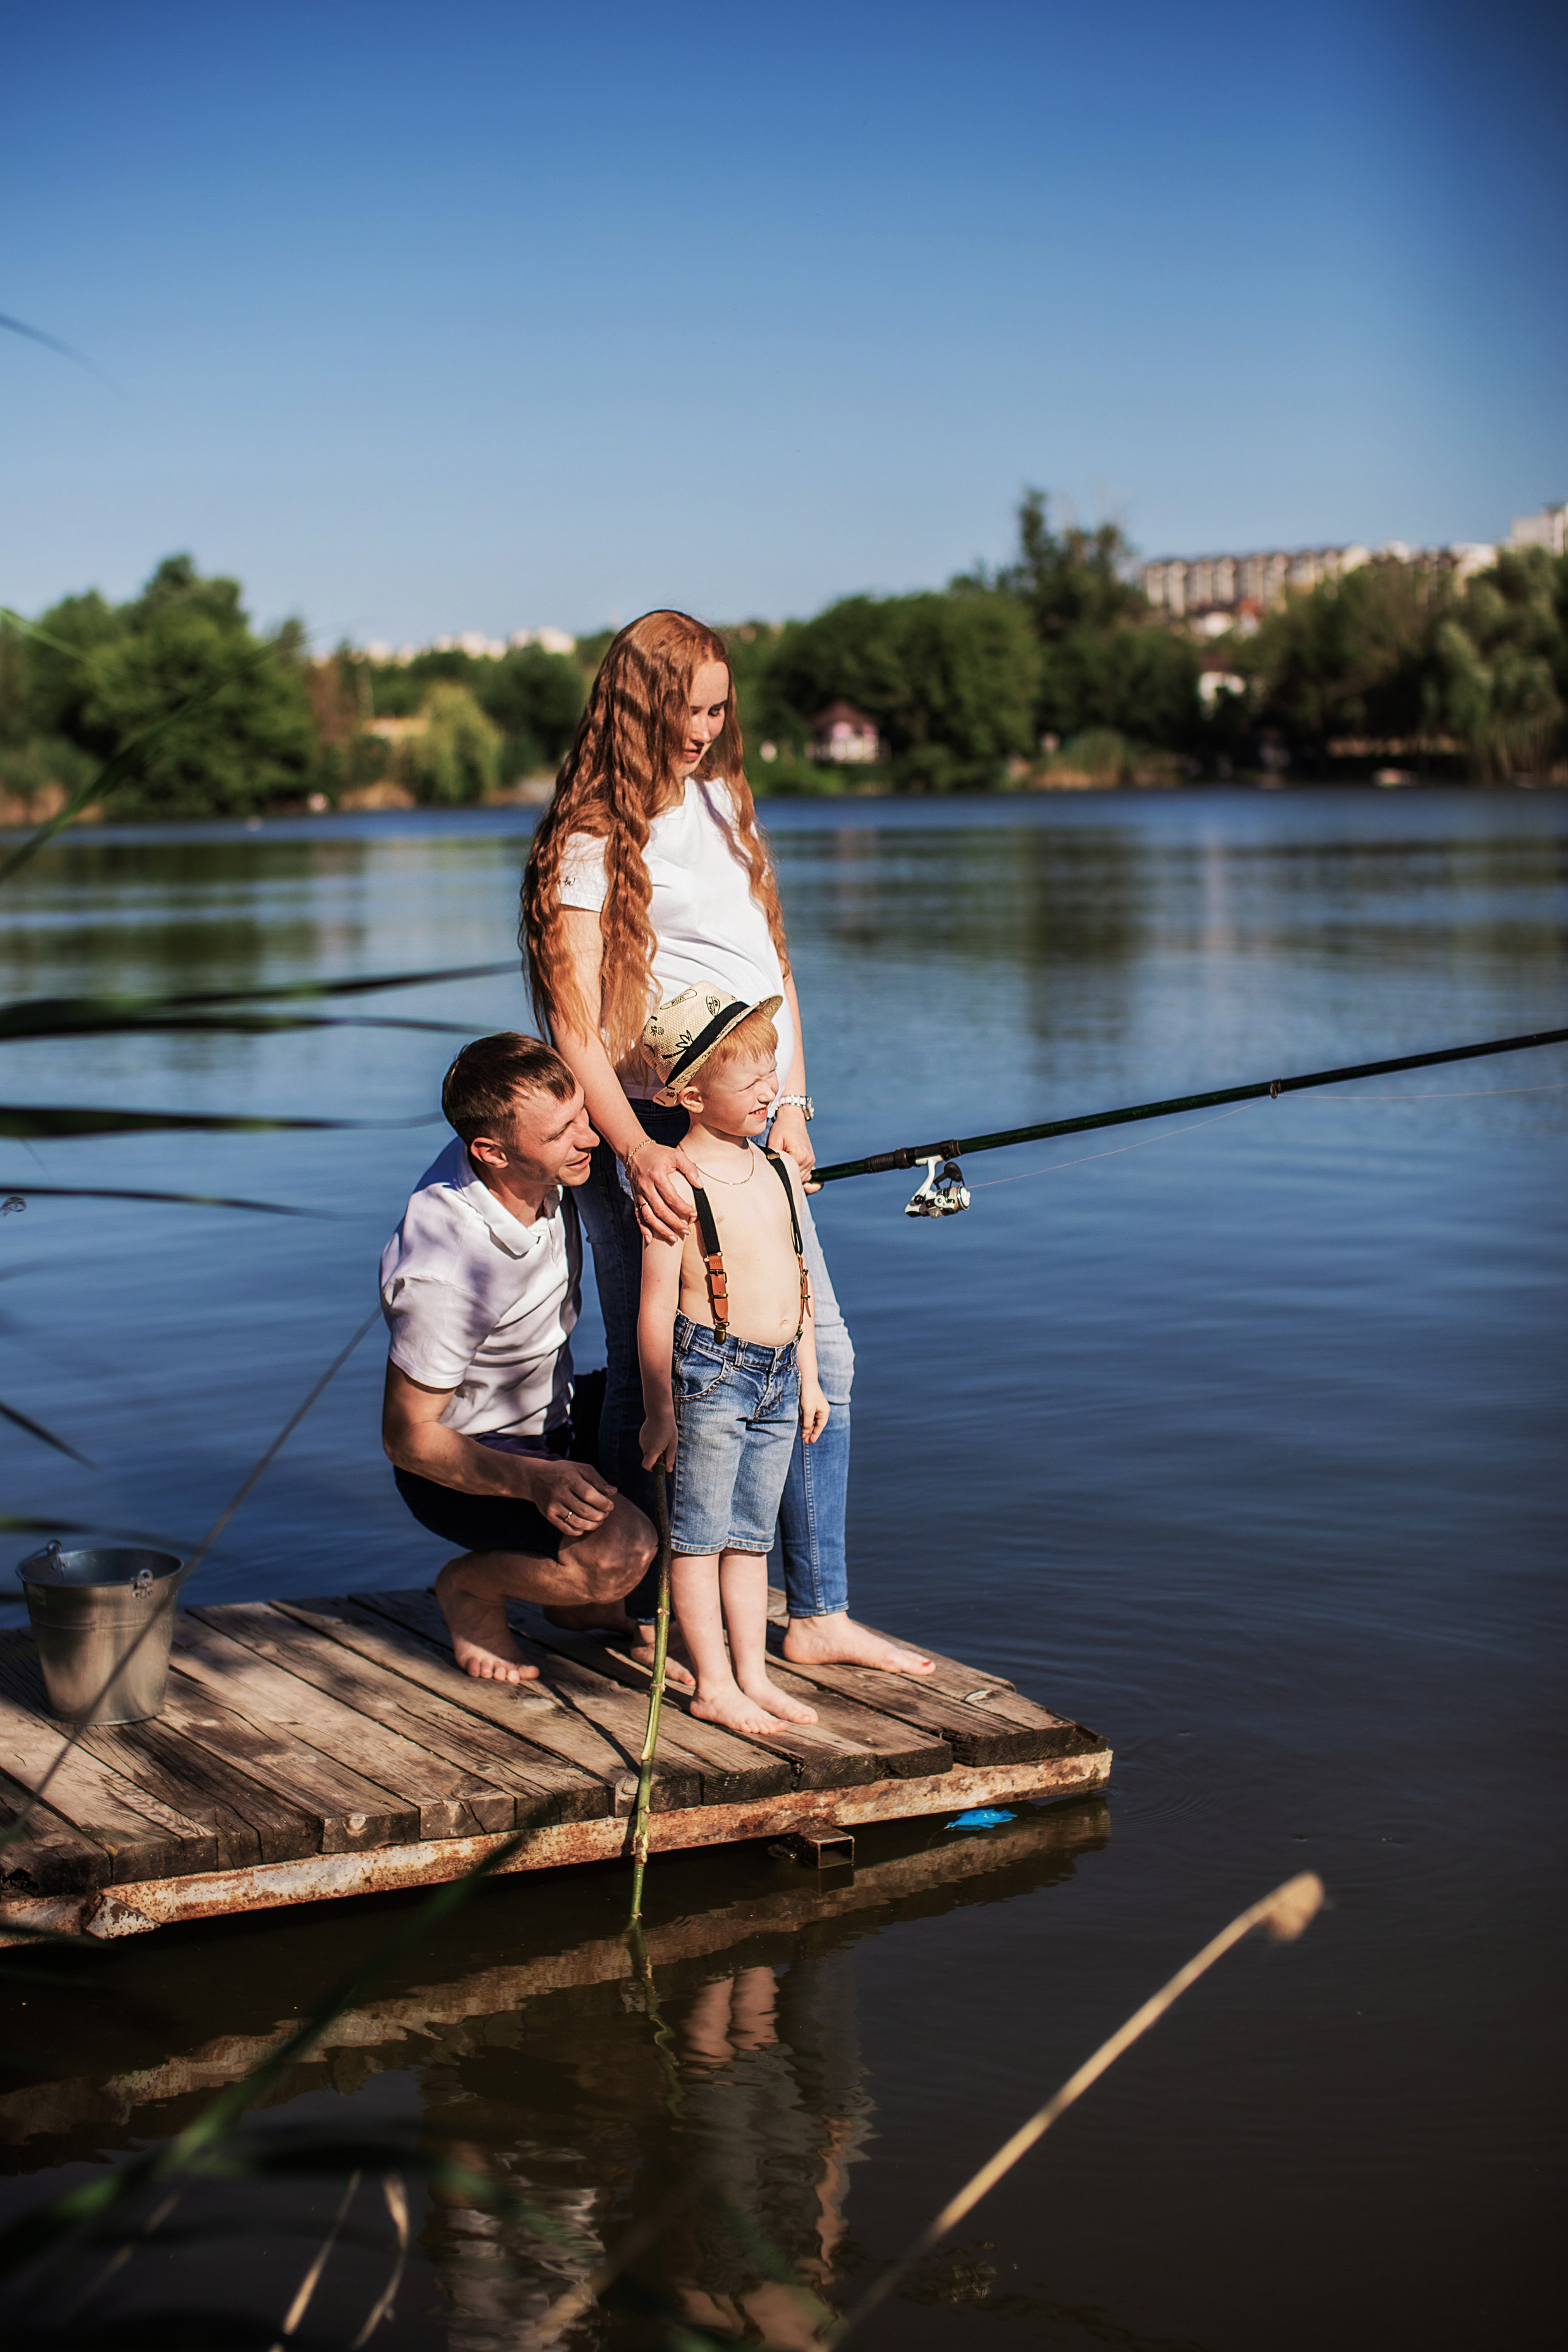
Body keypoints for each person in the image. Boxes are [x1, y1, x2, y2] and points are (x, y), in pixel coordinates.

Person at [520, 609, 932, 1677]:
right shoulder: (592, 834)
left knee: (813, 1353)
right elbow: (573, 1022)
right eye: (687, 707)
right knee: (662, 1364)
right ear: (639, 704)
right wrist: (641, 1153)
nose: (705, 727)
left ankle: (816, 1611)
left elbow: (770, 964)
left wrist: (797, 1102)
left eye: (717, 707)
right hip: (656, 1127)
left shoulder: (715, 801)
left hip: (753, 1120)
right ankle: (634, 1592)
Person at [380, 1031, 655, 1684]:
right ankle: (472, 1591)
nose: (589, 1139)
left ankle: (585, 1605)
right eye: (562, 1132)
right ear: (490, 1153)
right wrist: (533, 1481)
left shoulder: (538, 1158)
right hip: (469, 1464)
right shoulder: (445, 1272)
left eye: (583, 1115)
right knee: (623, 1549)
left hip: (552, 1420)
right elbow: (405, 1438)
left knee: (693, 1412)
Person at [637, 986, 827, 1736]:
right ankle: (712, 1682)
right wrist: (659, 1410)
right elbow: (654, 1308)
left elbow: (798, 1280)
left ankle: (753, 1673)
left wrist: (810, 1376)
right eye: (747, 1081)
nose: (768, 1089)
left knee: (751, 1538)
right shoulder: (675, 1184)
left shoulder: (778, 1170)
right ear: (689, 1094)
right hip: (710, 1376)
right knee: (699, 1536)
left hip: (780, 1374)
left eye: (771, 1071)